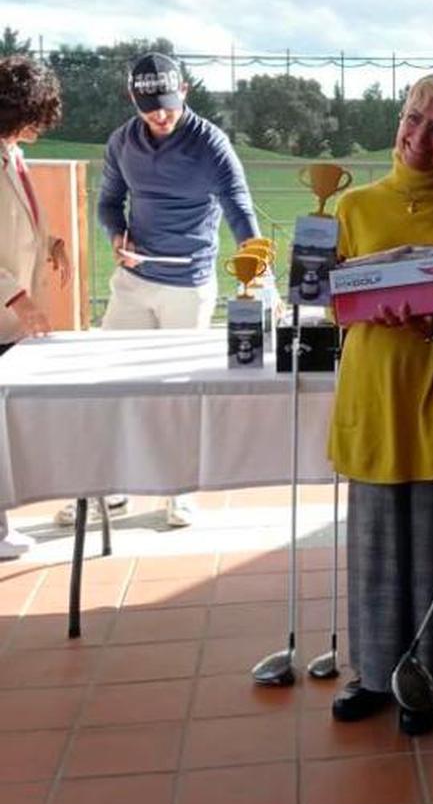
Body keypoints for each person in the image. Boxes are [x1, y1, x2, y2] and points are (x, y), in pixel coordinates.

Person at [327, 75, 433, 735]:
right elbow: (328, 297)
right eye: (414, 120)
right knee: (374, 541)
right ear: (399, 121)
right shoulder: (352, 206)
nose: (421, 137)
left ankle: (424, 678)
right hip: (372, 389)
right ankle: (372, 673)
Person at [64, 51, 261, 528]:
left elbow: (236, 201)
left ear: (185, 91)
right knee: (109, 386)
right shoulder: (121, 142)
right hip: (133, 281)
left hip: (188, 286)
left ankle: (179, 491)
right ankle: (106, 489)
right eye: (150, 105)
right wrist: (116, 234)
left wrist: (253, 257)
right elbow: (110, 201)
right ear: (133, 98)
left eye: (169, 103)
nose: (161, 114)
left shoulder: (209, 142)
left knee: (179, 393)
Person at [0, 56, 70, 559]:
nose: (38, 127)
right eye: (33, 116)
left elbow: (19, 224)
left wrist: (53, 243)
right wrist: (18, 298)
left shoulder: (11, 154)